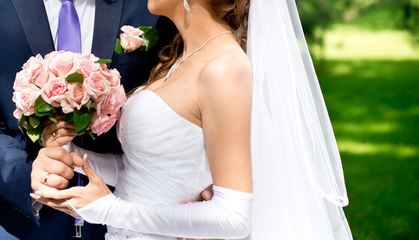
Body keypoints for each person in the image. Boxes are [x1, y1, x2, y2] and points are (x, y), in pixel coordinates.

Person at [31, 0, 353, 239]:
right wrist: (77, 161)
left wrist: (111, 209)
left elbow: (234, 216)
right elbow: (148, 169)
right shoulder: (185, 56)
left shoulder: (225, 68)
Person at [0, 0, 180, 239]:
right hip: (23, 222)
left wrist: (199, 184)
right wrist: (27, 174)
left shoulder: (154, 4)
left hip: (132, 216)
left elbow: (189, 96)